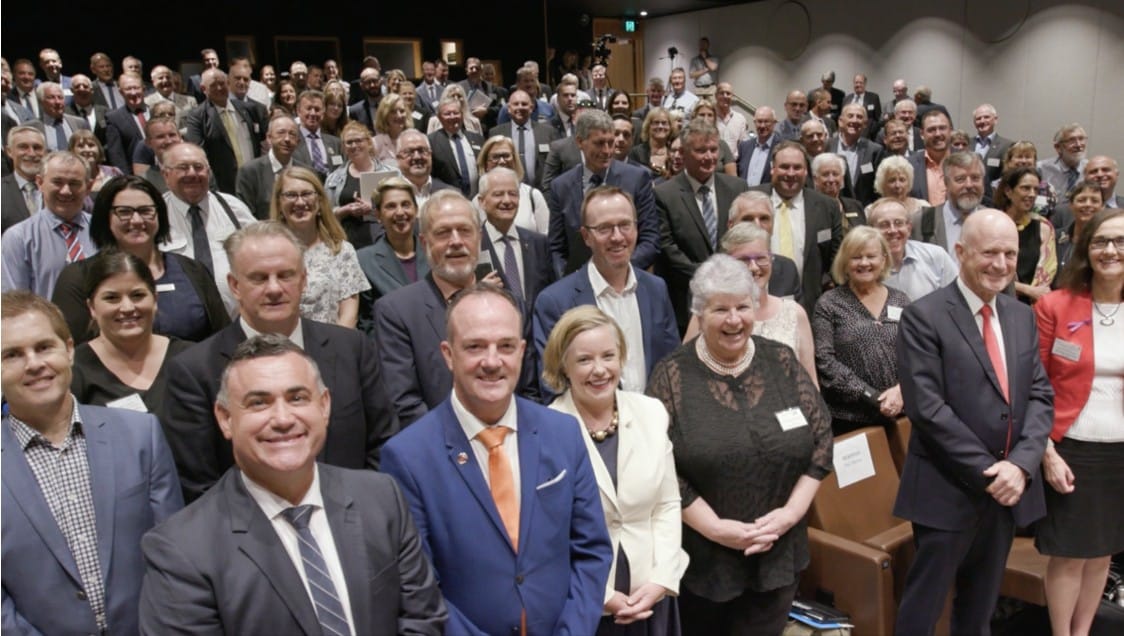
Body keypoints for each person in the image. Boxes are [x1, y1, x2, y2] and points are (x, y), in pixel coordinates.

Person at [139, 335, 447, 635]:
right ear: (225, 418)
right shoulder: (180, 550)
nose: (283, 418)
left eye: (297, 398)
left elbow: (422, 619)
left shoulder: (381, 498)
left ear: (324, 406)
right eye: (258, 403)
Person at [381, 284, 613, 635]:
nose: (492, 361)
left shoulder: (563, 433)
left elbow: (591, 552)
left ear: (521, 351)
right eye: (475, 347)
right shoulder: (408, 457)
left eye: (505, 346)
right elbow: (420, 586)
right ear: (448, 354)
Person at [647, 254, 832, 635]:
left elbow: (821, 439)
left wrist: (791, 515)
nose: (734, 320)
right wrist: (715, 528)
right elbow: (659, 467)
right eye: (720, 309)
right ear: (699, 313)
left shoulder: (780, 360)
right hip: (705, 562)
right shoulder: (671, 376)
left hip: (779, 552)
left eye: (742, 307)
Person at [894, 209, 1054, 635]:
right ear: (960, 252)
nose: (1000, 264)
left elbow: (1039, 395)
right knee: (922, 611)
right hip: (948, 489)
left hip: (1006, 494)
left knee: (980, 611)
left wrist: (1020, 466)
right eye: (989, 253)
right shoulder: (923, 316)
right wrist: (992, 473)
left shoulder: (1020, 315)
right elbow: (928, 410)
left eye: (1009, 253)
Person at [161, 221, 398, 502]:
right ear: (235, 286)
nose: (274, 289)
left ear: (304, 280)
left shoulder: (352, 348)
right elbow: (200, 485)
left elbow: (383, 444)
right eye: (259, 278)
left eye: (285, 275)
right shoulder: (194, 372)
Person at [1, 290, 182, 635]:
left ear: (69, 350)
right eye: (12, 354)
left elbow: (173, 555)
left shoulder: (140, 435)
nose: (34, 363)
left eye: (43, 347)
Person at [544, 306, 688, 635]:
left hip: (652, 594)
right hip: (583, 600)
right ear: (563, 365)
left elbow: (666, 504)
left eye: (608, 355)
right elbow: (547, 536)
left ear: (622, 358)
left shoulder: (651, 413)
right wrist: (601, 596)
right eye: (584, 360)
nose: (599, 370)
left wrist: (661, 579)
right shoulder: (545, 431)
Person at [1033, 209, 1124, 636]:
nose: (1111, 250)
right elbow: (1034, 384)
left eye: (1120, 241)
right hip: (1072, 447)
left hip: (1120, 451)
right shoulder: (1055, 304)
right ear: (1086, 250)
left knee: (1103, 551)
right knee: (1069, 553)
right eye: (1101, 241)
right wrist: (1046, 452)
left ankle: (1083, 631)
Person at [534, 186, 679, 398]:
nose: (618, 237)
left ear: (637, 228)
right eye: (604, 229)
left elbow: (672, 366)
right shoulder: (555, 302)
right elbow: (552, 385)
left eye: (625, 225)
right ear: (586, 236)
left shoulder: (656, 289)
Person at [52, 175, 228, 344]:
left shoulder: (192, 270)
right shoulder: (78, 278)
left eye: (146, 211)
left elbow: (223, 337)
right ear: (106, 217)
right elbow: (73, 351)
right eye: (124, 212)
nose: (136, 220)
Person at [682, 222, 817, 384]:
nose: (753, 267)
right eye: (744, 260)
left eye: (761, 258)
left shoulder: (795, 313)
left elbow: (811, 385)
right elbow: (685, 373)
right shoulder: (705, 314)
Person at [812, 226, 910, 434]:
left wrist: (901, 391)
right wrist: (873, 397)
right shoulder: (829, 303)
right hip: (851, 419)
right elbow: (825, 361)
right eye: (856, 257)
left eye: (871, 256)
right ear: (845, 262)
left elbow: (918, 354)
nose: (864, 263)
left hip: (904, 412)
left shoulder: (900, 300)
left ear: (883, 260)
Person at [654, 119, 750, 332]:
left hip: (732, 297)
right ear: (684, 153)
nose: (709, 157)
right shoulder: (664, 195)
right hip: (685, 298)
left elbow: (745, 237)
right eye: (700, 150)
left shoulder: (737, 188)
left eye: (713, 149)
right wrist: (706, 275)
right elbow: (666, 247)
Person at [69, 250, 193, 414]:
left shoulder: (192, 358)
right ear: (91, 307)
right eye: (112, 298)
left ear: (155, 300)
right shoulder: (72, 370)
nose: (127, 308)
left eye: (137, 295)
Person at [269, 166, 369, 327]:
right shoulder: (267, 254)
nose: (300, 202)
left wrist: (334, 350)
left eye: (307, 194)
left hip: (334, 345)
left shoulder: (341, 251)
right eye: (291, 195)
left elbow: (348, 315)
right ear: (279, 203)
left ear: (320, 200)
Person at [2, 150, 97, 298]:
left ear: (89, 187)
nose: (66, 191)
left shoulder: (103, 229)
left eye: (74, 183)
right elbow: (14, 305)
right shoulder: (18, 238)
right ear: (39, 183)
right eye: (57, 182)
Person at [355, 177, 430, 334]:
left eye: (406, 204)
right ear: (378, 215)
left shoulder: (435, 252)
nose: (400, 212)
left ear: (416, 210)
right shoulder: (364, 261)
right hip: (392, 351)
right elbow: (366, 323)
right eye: (390, 206)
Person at [867, 197, 957, 301]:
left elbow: (958, 299)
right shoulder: (865, 267)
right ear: (871, 231)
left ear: (909, 228)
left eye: (898, 223)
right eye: (884, 225)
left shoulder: (936, 256)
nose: (892, 230)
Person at [325, 120, 394, 249]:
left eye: (358, 140)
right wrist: (345, 210)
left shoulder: (388, 174)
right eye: (349, 142)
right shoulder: (333, 179)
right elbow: (326, 215)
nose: (354, 145)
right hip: (346, 243)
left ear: (368, 143)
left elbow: (398, 206)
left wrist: (373, 209)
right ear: (344, 147)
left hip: (383, 241)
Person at [995, 167, 1057, 303]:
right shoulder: (993, 223)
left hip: (1033, 306)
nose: (1032, 194)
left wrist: (1034, 293)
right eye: (1025, 188)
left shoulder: (1043, 226)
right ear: (1008, 191)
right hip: (997, 300)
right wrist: (1027, 290)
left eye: (1036, 189)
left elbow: (1048, 269)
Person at [235, 114, 307, 220]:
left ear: (298, 141)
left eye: (292, 134)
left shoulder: (306, 172)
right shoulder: (249, 172)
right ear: (269, 138)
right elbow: (245, 216)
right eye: (281, 133)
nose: (287, 139)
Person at [475, 135, 550, 235]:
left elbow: (546, 237)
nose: (502, 161)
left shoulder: (533, 196)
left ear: (515, 161)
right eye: (495, 157)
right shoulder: (477, 201)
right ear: (486, 164)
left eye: (506, 156)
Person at [1055, 180, 1105, 276]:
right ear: (1071, 205)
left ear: (1103, 206)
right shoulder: (1055, 238)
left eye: (1094, 201)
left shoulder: (1109, 240)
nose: (1088, 204)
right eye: (1081, 200)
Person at [68, 128, 122, 194]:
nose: (87, 150)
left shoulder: (114, 172)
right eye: (81, 146)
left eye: (91, 145)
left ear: (98, 148)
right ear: (72, 151)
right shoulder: (69, 177)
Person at [630, 107, 673, 178]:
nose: (660, 126)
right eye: (656, 123)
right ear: (648, 126)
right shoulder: (636, 153)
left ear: (670, 127)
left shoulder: (674, 152)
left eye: (664, 123)